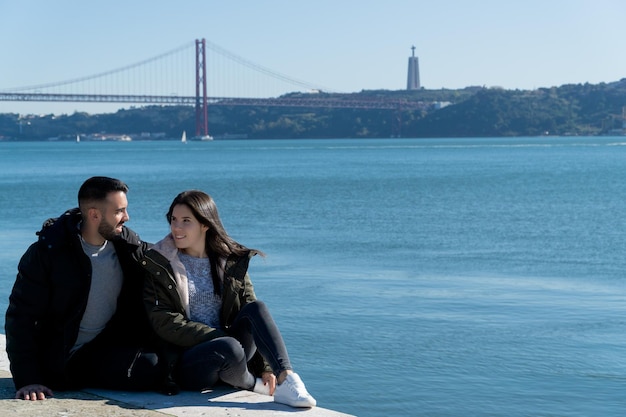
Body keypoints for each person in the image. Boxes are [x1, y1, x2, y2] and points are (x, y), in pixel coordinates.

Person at [139, 190, 317, 408]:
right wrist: (219, 337)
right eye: (174, 220)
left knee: (256, 308)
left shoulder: (230, 261)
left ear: (205, 224)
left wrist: (265, 368)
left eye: (186, 221)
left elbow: (251, 315)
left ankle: (287, 380)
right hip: (192, 360)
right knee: (228, 347)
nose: (177, 227)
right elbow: (164, 321)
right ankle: (251, 384)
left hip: (234, 349)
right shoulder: (160, 264)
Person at [5, 176, 165, 401]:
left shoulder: (128, 246)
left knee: (164, 360)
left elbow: (168, 256)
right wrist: (27, 378)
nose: (127, 217)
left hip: (106, 346)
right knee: (150, 368)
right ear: (94, 214)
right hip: (62, 359)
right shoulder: (48, 253)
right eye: (119, 211)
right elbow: (20, 318)